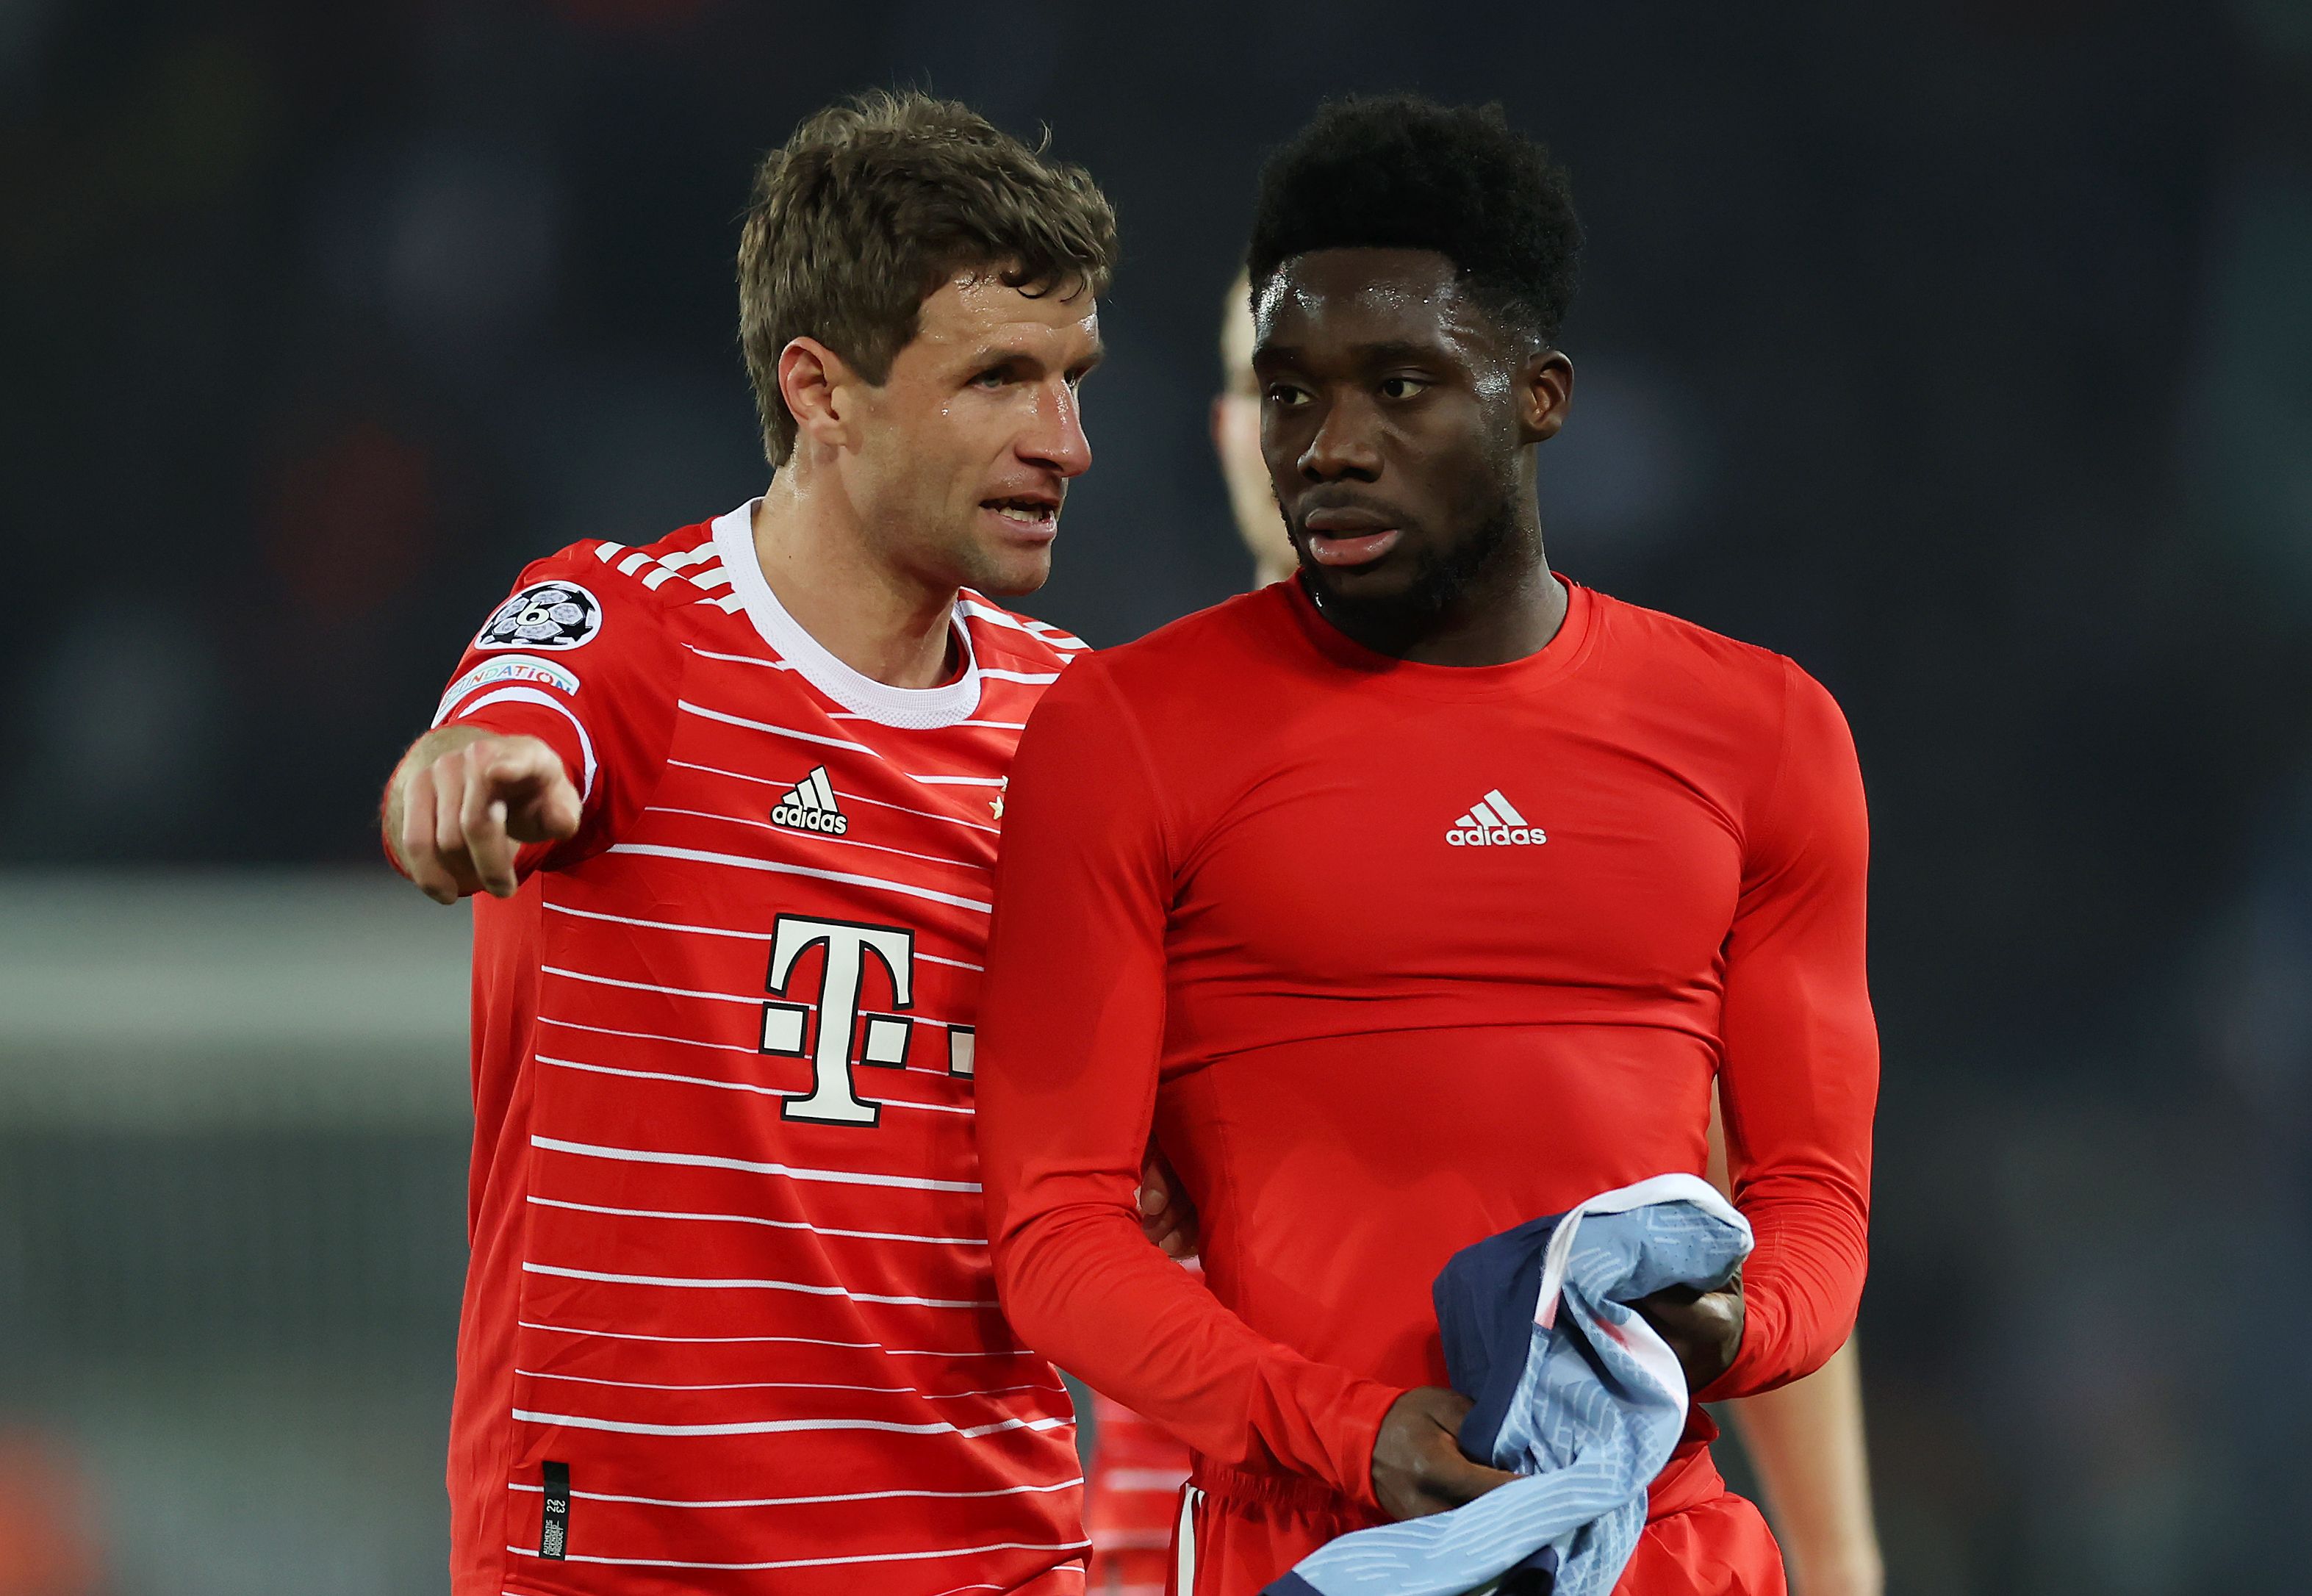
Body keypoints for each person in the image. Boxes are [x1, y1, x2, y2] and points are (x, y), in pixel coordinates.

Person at [974, 95, 1878, 1596]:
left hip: (1660, 1545)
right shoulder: (1125, 730)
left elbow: (1814, 1203)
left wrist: (1733, 1329)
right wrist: (1355, 1430)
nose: (1328, 447)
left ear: (1538, 395)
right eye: (1288, 393)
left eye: (1399, 387)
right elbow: (1054, 1235)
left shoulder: (1762, 733)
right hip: (1310, 1540)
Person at [379, 90, 1121, 1596]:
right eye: (998, 379)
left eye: (1072, 380)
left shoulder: (1086, 723)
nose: (1067, 443)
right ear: (821, 390)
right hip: (639, 1561)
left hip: (988, 1553)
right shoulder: (626, 631)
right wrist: (469, 777)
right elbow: (503, 732)